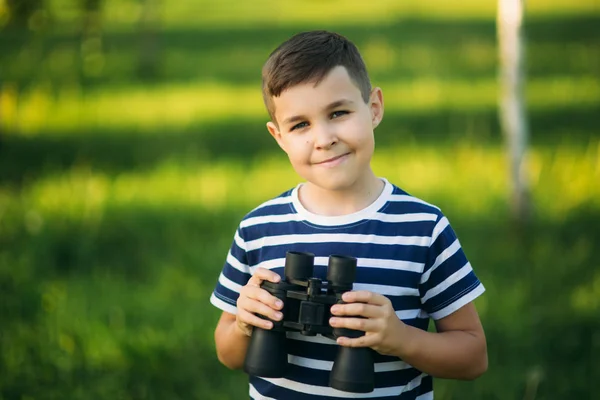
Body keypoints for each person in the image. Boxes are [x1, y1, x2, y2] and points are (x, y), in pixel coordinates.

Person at [210, 30, 487, 399]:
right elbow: (228, 354)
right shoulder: (258, 228)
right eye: (300, 125)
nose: (323, 138)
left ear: (374, 108)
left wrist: (400, 339)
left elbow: (473, 357)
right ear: (278, 137)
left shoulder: (423, 229)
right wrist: (245, 325)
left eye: (338, 113)